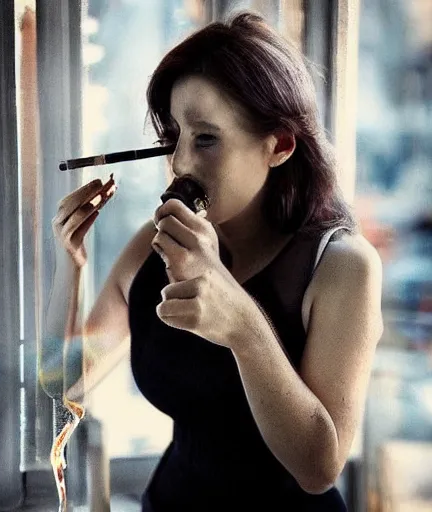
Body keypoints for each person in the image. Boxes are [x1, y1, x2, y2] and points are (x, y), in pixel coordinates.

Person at [47, 10, 384, 511]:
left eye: (205, 139)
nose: (181, 162)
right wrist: (69, 264)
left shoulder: (340, 267)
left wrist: (243, 327)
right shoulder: (153, 245)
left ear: (280, 145)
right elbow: (64, 381)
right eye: (173, 137)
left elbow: (318, 469)